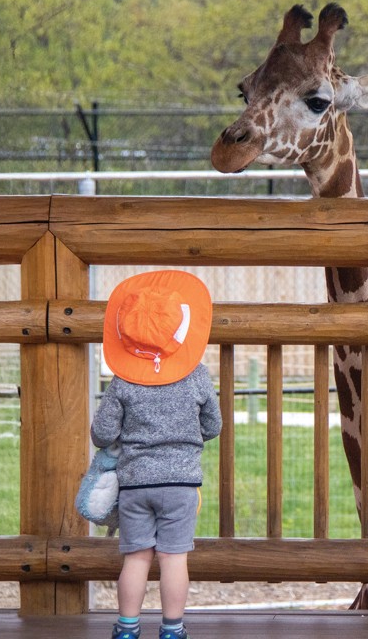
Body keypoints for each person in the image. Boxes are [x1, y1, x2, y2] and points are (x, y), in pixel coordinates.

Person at [91, 270, 222, 639]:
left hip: (135, 484)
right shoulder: (196, 376)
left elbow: (102, 434)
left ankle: (128, 629)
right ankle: (172, 630)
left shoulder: (122, 381)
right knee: (173, 558)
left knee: (136, 558)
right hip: (180, 485)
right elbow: (213, 426)